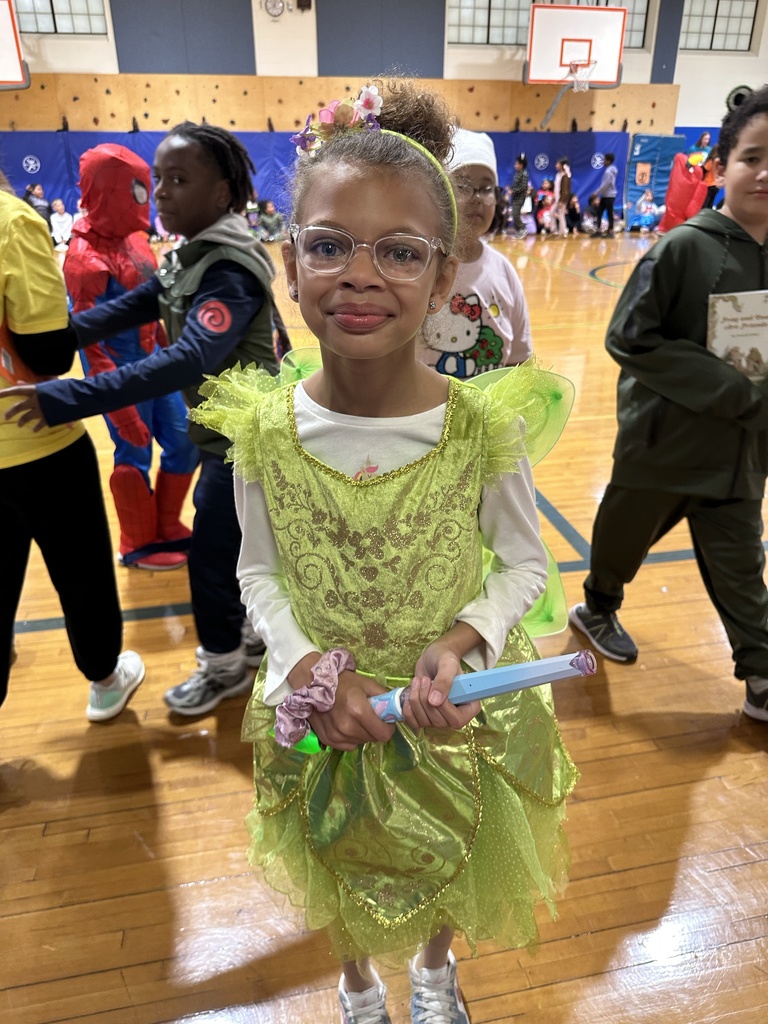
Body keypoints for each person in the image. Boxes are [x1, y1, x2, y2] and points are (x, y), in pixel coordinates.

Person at [191, 79, 578, 1024]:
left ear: (445, 278)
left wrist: (466, 639)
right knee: (339, 846)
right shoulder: (266, 429)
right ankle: (359, 977)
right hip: (329, 704)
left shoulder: (479, 428)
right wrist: (306, 667)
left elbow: (527, 566)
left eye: (400, 253)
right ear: (290, 262)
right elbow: (257, 570)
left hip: (454, 708)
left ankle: (436, 969)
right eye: (329, 246)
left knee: (457, 846)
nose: (360, 276)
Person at [3, 121, 280, 715]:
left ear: (225, 194)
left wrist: (64, 397)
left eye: (179, 180)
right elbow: (128, 307)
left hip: (248, 447)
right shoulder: (191, 256)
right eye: (157, 180)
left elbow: (185, 361)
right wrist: (43, 337)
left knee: (211, 558)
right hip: (224, 439)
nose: (161, 193)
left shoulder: (229, 270)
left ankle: (223, 664)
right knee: (240, 550)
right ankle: (253, 640)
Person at [568, 85, 768, 723]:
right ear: (721, 167)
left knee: (742, 567)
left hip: (739, 457)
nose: (765, 174)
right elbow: (629, 335)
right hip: (663, 447)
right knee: (621, 546)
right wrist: (731, 389)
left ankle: (762, 676)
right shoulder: (685, 247)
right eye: (752, 157)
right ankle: (596, 609)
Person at [0, 170, 144, 721]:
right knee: (81, 569)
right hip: (32, 434)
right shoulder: (13, 220)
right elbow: (47, 350)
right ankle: (105, 676)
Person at [65, 143, 199, 571]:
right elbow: (90, 342)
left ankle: (166, 525)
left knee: (183, 442)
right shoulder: (85, 259)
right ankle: (137, 543)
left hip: (156, 367)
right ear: (112, 189)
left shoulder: (136, 243)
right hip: (120, 376)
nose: (150, 197)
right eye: (140, 189)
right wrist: (119, 409)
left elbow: (152, 307)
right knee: (133, 452)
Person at [421, 127, 532, 379]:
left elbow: (519, 360)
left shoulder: (503, 270)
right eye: (462, 185)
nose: (477, 198)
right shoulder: (421, 266)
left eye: (486, 188)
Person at [591, 152, 617, 238]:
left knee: (609, 213)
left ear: (608, 161)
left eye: (605, 160)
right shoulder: (611, 170)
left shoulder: (609, 171)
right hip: (606, 196)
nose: (603, 161)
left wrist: (596, 193)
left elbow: (605, 185)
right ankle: (599, 230)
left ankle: (611, 231)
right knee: (599, 212)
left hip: (609, 196)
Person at [509, 154, 530, 238]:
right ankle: (519, 231)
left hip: (520, 199)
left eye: (516, 164)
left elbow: (523, 187)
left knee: (516, 214)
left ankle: (523, 228)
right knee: (514, 214)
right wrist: (510, 188)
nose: (515, 165)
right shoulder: (517, 174)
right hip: (514, 198)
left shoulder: (524, 174)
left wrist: (513, 191)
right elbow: (515, 185)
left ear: (521, 165)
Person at [552, 157, 572, 238]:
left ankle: (563, 232)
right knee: (552, 212)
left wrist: (562, 201)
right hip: (557, 198)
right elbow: (557, 187)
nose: (556, 165)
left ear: (562, 165)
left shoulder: (565, 176)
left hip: (562, 199)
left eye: (558, 164)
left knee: (561, 215)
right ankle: (554, 230)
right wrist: (554, 196)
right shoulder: (558, 175)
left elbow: (565, 190)